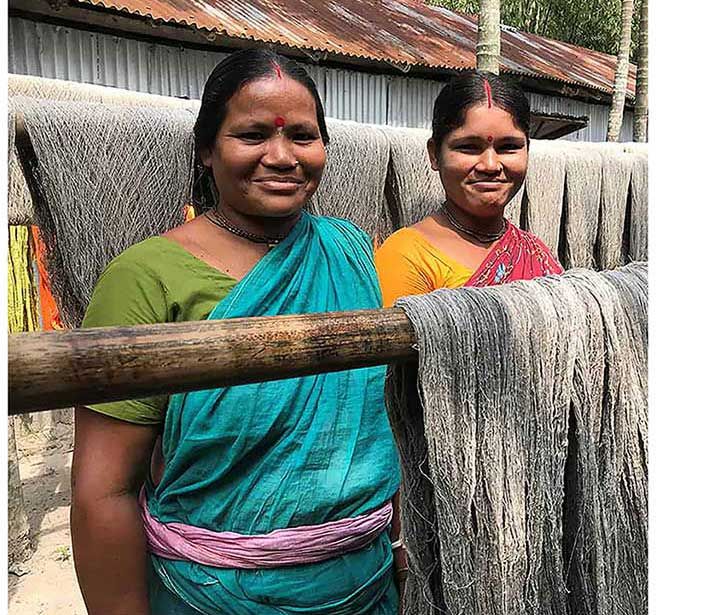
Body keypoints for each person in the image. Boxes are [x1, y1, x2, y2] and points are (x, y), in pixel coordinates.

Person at [70, 48, 406, 615]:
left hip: (364, 585)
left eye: (302, 136)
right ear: (206, 150)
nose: (281, 156)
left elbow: (373, 424)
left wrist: (395, 546)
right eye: (252, 135)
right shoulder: (146, 278)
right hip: (211, 595)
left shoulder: (349, 251)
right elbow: (104, 490)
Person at [375, 71, 563, 307]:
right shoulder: (405, 257)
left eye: (509, 147)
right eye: (469, 148)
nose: (490, 165)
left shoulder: (536, 251)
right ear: (434, 154)